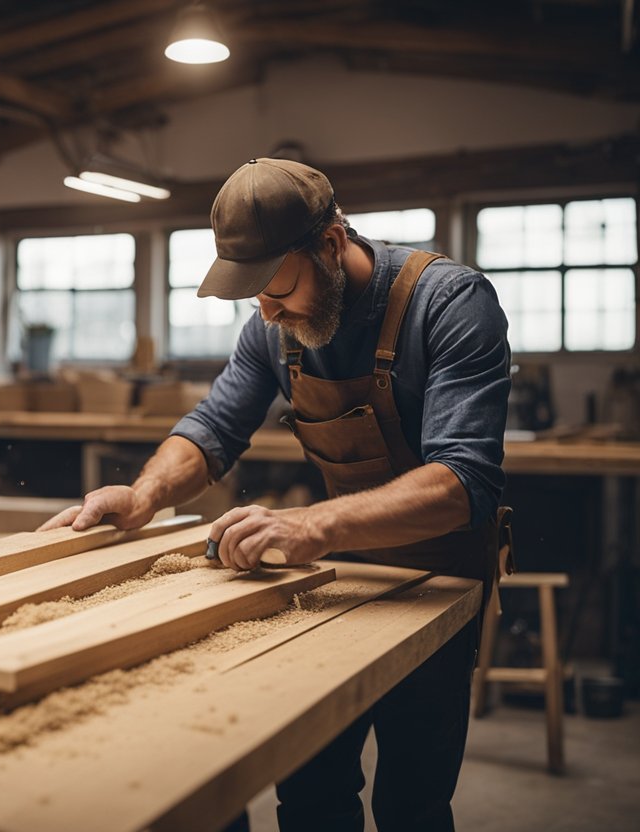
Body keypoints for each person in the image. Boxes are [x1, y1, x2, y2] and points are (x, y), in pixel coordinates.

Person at [40, 157, 512, 832]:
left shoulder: (448, 303)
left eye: (276, 287)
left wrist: (311, 527)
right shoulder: (275, 325)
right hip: (333, 581)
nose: (265, 309)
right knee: (313, 798)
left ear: (329, 243)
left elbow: (463, 482)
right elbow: (213, 428)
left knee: (412, 804)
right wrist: (146, 494)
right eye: (252, 293)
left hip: (437, 583)